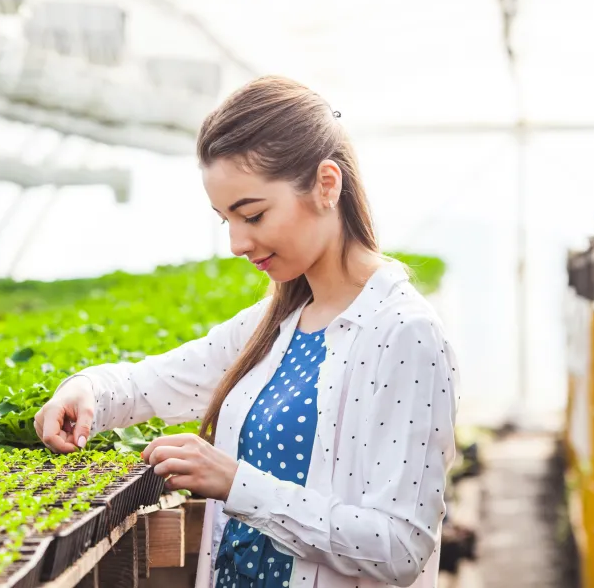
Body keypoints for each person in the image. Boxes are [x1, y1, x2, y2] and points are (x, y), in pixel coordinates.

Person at [34, 75, 460, 588]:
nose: (238, 242)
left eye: (253, 214)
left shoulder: (403, 333)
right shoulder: (277, 323)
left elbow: (400, 547)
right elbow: (151, 383)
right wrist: (86, 392)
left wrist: (236, 484)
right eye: (225, 221)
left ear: (327, 185)